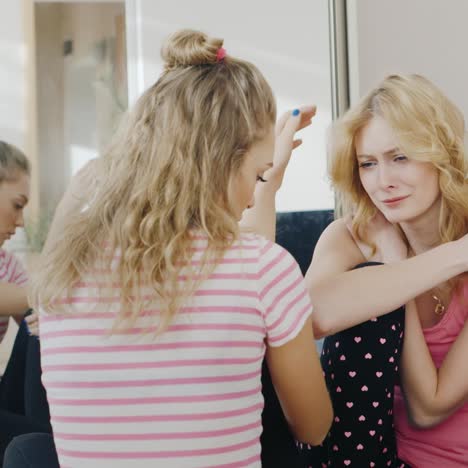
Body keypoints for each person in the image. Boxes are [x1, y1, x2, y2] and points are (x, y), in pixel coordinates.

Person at [21, 29, 332, 468]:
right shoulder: (263, 270)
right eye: (256, 176)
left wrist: (268, 181)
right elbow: (314, 427)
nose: (250, 198)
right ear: (222, 161)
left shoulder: (62, 271)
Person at [285, 74, 468, 467]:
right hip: (374, 458)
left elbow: (428, 408)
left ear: (442, 154)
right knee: (361, 293)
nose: (383, 182)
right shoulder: (350, 237)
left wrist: (399, 264)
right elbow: (309, 318)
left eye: (400, 157)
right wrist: (393, 261)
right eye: (368, 164)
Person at [0, 141, 51, 462]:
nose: (20, 222)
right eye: (17, 205)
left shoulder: (7, 263)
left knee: (41, 318)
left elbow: (38, 316)